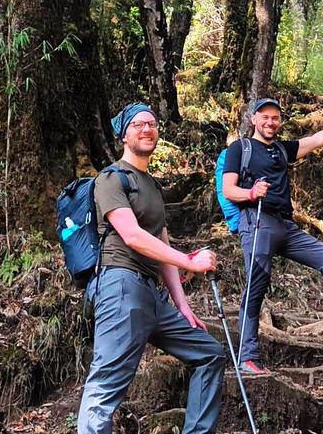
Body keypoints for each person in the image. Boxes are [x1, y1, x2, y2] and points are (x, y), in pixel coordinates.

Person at [78, 103, 226, 434]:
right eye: (138, 124)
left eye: (152, 124)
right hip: (120, 286)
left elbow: (163, 247)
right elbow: (132, 236)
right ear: (123, 135)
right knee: (105, 386)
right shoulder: (110, 179)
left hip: (151, 295)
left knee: (210, 354)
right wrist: (190, 263)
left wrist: (183, 304)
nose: (147, 129)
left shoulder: (154, 187)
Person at [222, 98, 323, 374]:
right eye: (265, 117)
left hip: (286, 226)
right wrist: (250, 194)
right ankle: (247, 356)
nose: (270, 122)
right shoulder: (241, 149)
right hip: (257, 221)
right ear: (254, 120)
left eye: (275, 118)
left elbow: (317, 139)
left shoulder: (283, 150)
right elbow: (228, 190)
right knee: (257, 284)